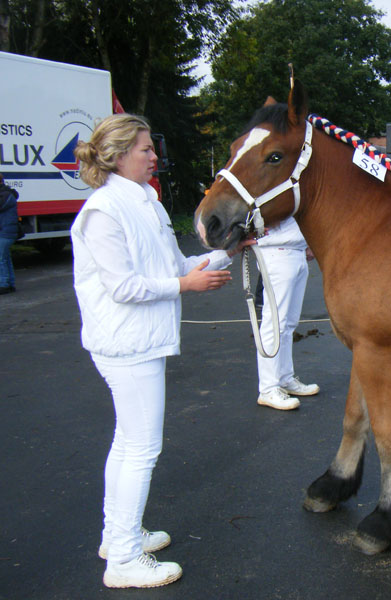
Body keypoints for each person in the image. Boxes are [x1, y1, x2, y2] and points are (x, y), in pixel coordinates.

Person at [70, 113, 248, 589]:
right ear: (119, 154)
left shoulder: (144, 201)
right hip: (125, 342)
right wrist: (185, 285)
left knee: (129, 443)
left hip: (139, 339)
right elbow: (125, 286)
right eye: (146, 149)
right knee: (141, 448)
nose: (154, 156)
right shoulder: (104, 211)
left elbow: (174, 265)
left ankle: (119, 536)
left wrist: (229, 252)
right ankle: (124, 558)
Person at [254, 217, 319, 410]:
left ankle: (284, 378)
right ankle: (268, 388)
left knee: (288, 324)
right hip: (276, 251)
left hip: (296, 250)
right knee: (274, 322)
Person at [0, 174, 19, 294]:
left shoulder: (5, 195)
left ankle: (4, 284)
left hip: (5, 231)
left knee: (1, 258)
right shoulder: (7, 194)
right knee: (5, 257)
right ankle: (10, 283)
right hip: (6, 231)